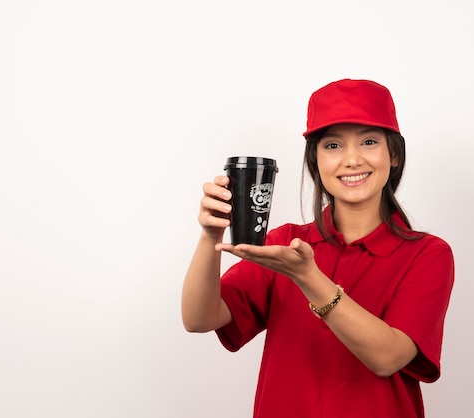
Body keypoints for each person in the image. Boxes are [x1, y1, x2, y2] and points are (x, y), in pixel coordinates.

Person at [181, 78, 455, 418]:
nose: (351, 159)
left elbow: (388, 357)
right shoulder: (284, 243)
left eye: (369, 141)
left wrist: (307, 276)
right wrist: (210, 236)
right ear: (316, 161)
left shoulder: (427, 254)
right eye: (333, 146)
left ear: (394, 154)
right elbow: (199, 318)